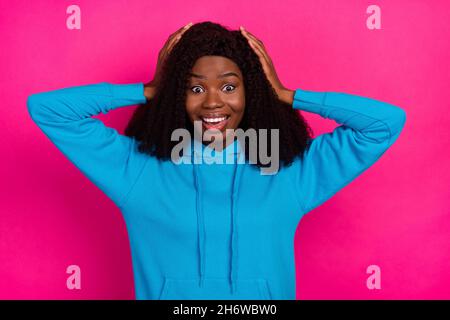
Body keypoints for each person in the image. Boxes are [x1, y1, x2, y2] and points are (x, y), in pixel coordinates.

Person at [26, 21, 406, 300]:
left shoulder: (287, 170)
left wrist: (286, 94)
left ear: (251, 93)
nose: (212, 102)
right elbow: (48, 110)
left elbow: (385, 124)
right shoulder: (138, 171)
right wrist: (153, 89)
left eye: (229, 86)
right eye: (193, 87)